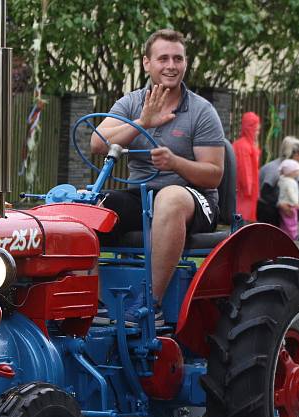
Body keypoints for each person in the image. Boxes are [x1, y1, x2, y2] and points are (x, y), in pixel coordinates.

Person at [91, 29, 224, 326]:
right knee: (86, 207)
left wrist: (175, 163)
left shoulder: (202, 111)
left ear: (186, 63)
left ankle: (151, 303)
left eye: (178, 58)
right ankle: (93, 304)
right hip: (142, 196)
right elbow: (98, 143)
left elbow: (213, 175)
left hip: (193, 199)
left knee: (169, 198)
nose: (171, 65)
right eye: (163, 58)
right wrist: (142, 123)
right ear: (146, 64)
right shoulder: (132, 103)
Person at [257, 136, 299, 226]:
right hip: (263, 204)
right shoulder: (275, 169)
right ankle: (275, 230)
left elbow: (295, 196)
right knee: (272, 211)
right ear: (296, 155)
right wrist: (280, 204)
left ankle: (288, 228)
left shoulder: (293, 169)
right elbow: (264, 194)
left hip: (280, 200)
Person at [232, 112, 261, 221]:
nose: (257, 133)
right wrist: (250, 191)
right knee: (243, 221)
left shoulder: (246, 145)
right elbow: (245, 173)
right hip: (244, 195)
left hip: (245, 194)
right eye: (256, 130)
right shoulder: (243, 146)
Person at [276, 159, 299, 241]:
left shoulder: (282, 180)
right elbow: (291, 193)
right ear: (291, 172)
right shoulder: (290, 182)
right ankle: (293, 236)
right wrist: (296, 203)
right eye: (297, 171)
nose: (298, 172)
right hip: (290, 205)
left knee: (285, 222)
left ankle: (284, 235)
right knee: (292, 221)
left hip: (282, 204)